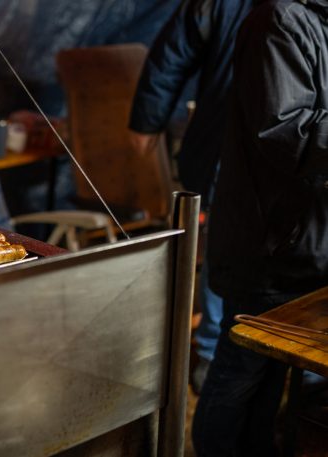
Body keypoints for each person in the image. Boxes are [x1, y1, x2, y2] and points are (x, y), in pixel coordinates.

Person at [192, 0, 328, 454]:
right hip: (270, 240)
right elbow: (284, 131)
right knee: (242, 369)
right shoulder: (279, 21)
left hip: (310, 240)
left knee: (272, 377)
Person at [128, 0, 256, 393]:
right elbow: (173, 52)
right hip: (228, 146)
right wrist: (147, 119)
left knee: (233, 246)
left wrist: (147, 121)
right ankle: (215, 356)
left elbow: (172, 52)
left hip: (273, 148)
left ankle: (230, 357)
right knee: (225, 246)